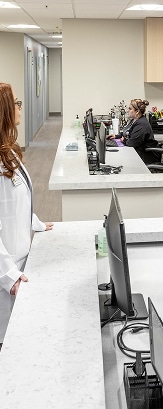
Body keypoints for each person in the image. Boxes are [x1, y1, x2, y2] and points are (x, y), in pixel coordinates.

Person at [0, 82, 54, 350]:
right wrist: (8, 275)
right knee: (8, 346)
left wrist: (38, 224)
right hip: (6, 270)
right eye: (16, 103)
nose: (20, 107)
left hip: (21, 257)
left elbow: (17, 204)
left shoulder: (8, 151)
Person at [107, 98, 158, 164]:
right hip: (136, 152)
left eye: (130, 109)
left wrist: (124, 140)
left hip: (144, 156)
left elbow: (131, 143)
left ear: (137, 111)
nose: (127, 111)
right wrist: (116, 136)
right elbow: (127, 132)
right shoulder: (134, 120)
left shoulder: (141, 124)